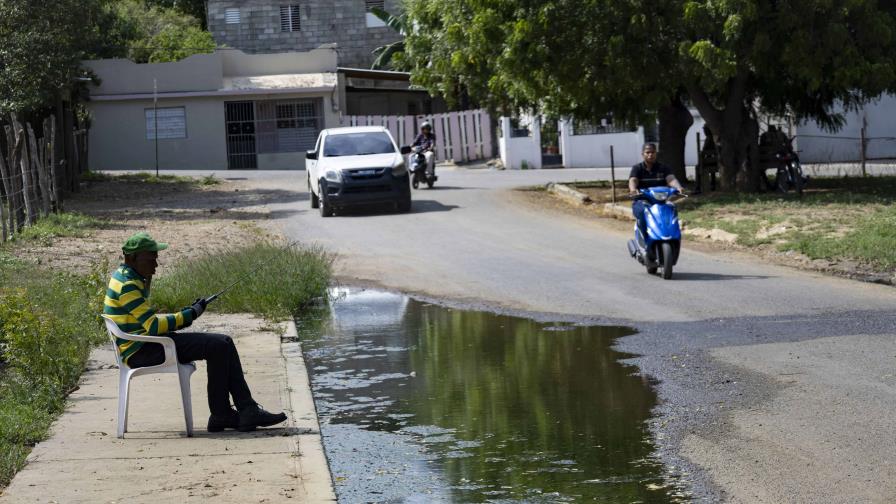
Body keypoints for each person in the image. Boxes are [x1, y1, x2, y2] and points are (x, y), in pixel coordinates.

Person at [103, 232, 287, 433]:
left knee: (223, 342)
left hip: (146, 344)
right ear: (132, 258)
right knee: (218, 345)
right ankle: (224, 413)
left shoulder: (127, 277)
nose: (156, 265)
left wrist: (184, 314)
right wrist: (189, 314)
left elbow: (148, 322)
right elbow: (153, 326)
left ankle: (240, 410)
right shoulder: (128, 285)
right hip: (142, 351)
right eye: (151, 259)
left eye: (156, 259)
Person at [628, 143, 685, 236]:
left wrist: (678, 187)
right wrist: (633, 189)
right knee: (643, 212)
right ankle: (644, 237)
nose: (650, 154)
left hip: (661, 201)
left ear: (656, 154)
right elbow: (633, 180)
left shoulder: (663, 168)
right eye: (647, 152)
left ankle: (670, 234)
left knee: (672, 209)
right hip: (642, 200)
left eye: (653, 152)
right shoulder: (637, 168)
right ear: (643, 154)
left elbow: (671, 179)